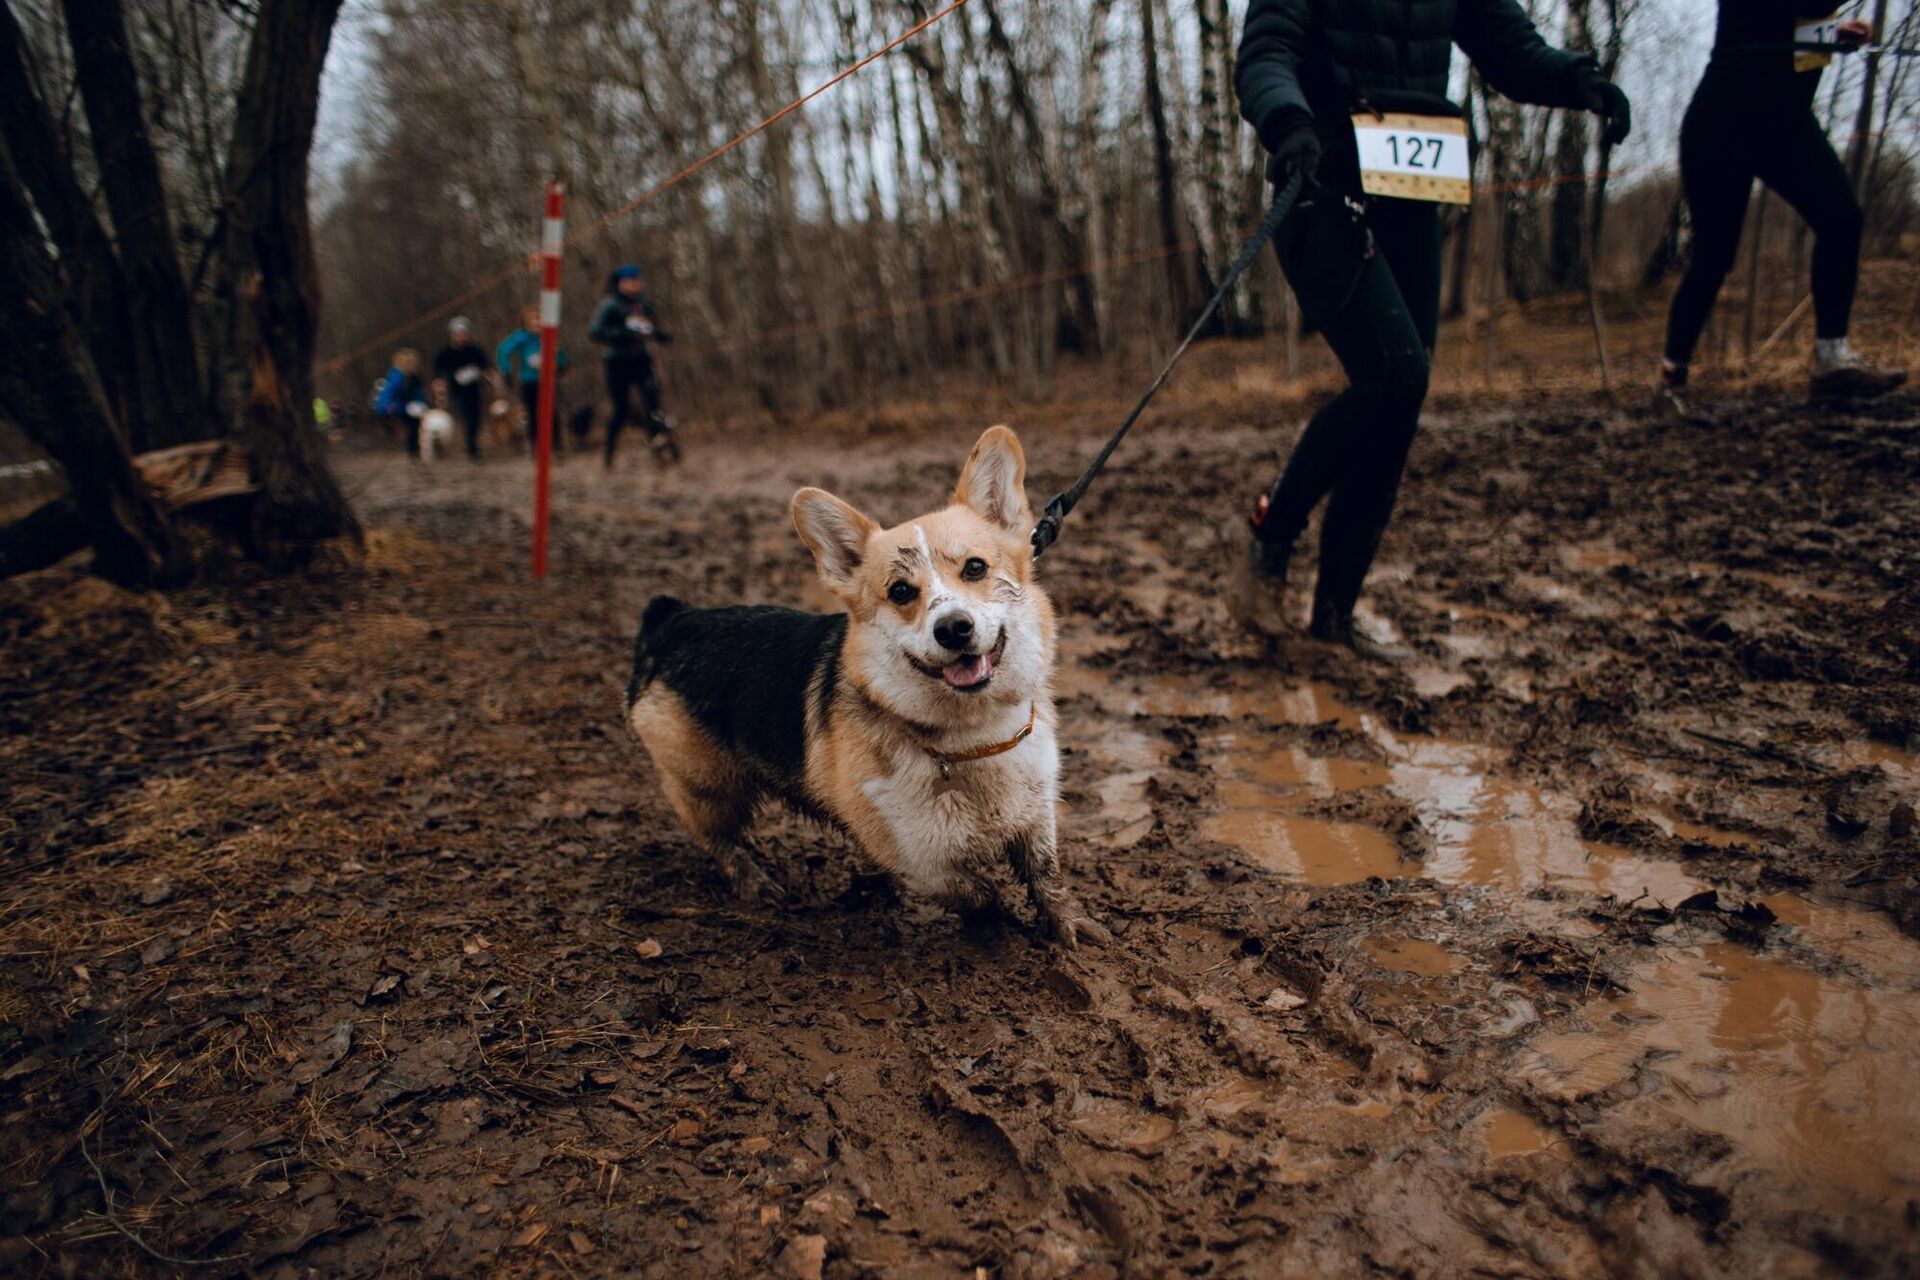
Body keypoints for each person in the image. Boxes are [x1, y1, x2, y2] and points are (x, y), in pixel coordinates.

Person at [1233, 0, 1630, 658]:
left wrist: (1577, 79)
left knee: (1399, 402)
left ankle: (1335, 616)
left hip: (1414, 191)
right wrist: (1288, 120)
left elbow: (1510, 46)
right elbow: (1265, 52)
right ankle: (1273, 530)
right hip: (1323, 186)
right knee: (1397, 373)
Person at [1657, 5, 1906, 413]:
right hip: (1722, 121)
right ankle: (1671, 380)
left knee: (1842, 216)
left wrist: (1829, 37)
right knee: (1714, 256)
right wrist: (1824, 25)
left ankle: (1831, 363)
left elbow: (1798, 28)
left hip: (1783, 125)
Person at [589, 264, 678, 467]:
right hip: (616, 361)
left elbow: (652, 328)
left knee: (653, 403)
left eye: (636, 280)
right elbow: (595, 332)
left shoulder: (644, 304)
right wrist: (623, 333)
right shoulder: (610, 304)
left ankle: (663, 447)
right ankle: (609, 451)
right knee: (620, 409)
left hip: (641, 359)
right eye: (629, 281)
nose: (634, 284)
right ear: (620, 283)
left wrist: (660, 335)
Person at [495, 305, 571, 455]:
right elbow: (503, 350)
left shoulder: (549, 335)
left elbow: (559, 352)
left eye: (539, 319)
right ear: (526, 322)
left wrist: (561, 366)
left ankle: (556, 445)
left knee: (552, 413)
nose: (536, 323)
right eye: (533, 320)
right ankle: (535, 446)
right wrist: (506, 371)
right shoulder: (521, 337)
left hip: (548, 381)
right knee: (532, 413)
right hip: (529, 381)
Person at [432, 316, 491, 461]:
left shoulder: (475, 350)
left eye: (464, 333)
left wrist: (484, 376)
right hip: (455, 391)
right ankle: (467, 447)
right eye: (458, 333)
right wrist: (440, 390)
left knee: (475, 418)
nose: (461, 336)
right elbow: (438, 373)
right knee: (464, 416)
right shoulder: (445, 352)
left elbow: (486, 367)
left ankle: (472, 446)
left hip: (474, 389)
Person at [374, 349, 429, 458]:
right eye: (407, 362)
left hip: (407, 406)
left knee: (414, 421)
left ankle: (413, 448)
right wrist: (389, 407)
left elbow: (419, 393)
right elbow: (388, 395)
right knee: (405, 420)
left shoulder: (415, 377)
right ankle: (395, 439)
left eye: (411, 362)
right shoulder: (396, 376)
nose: (410, 364)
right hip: (393, 406)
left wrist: (421, 403)